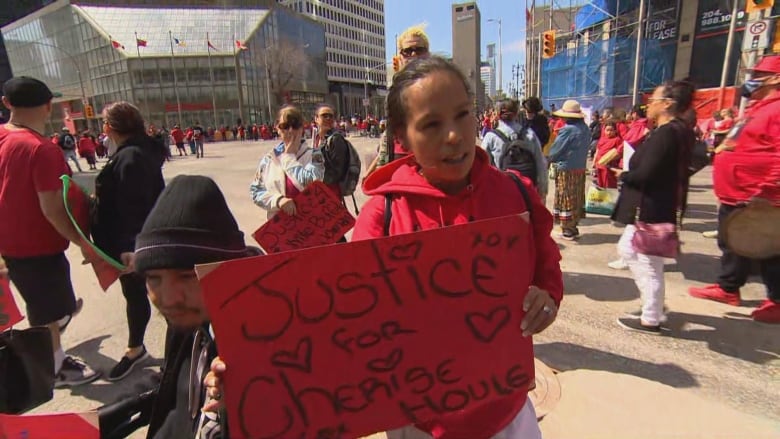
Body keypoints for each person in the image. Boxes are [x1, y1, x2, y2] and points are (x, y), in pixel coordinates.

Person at [205, 55, 563, 439]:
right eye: (431, 124)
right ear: (401, 135)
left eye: (463, 115)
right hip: (418, 424)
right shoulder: (384, 214)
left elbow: (546, 261)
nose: (455, 135)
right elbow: (339, 327)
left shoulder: (515, 194)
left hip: (507, 415)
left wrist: (547, 296)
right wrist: (247, 372)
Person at [130, 175, 259, 438]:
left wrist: (251, 410)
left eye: (188, 276)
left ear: (228, 272)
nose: (168, 298)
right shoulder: (186, 321)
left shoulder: (273, 341)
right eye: (153, 278)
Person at [0, 76, 100, 387]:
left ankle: (61, 316)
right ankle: (56, 368)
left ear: (7, 104)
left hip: (11, 244)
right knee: (45, 311)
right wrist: (83, 243)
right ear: (48, 106)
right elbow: (53, 208)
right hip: (38, 247)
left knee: (46, 303)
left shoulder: (3, 137)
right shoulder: (42, 149)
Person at [688, 55, 780, 323]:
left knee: (768, 249)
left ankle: (776, 299)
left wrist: (767, 190)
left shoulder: (776, 110)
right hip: (736, 192)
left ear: (775, 78)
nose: (752, 80)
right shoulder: (758, 108)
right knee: (734, 243)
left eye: (759, 74)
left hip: (759, 196)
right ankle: (729, 287)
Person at [612, 80, 696, 333]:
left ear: (668, 104)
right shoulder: (679, 130)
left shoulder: (667, 133)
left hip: (652, 206)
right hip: (659, 204)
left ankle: (651, 315)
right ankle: (653, 305)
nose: (649, 105)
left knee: (646, 261)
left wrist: (624, 175)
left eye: (654, 100)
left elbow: (647, 172)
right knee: (634, 253)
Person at [92, 101, 166, 381]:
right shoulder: (134, 153)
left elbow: (137, 206)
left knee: (164, 300)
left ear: (109, 128)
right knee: (136, 297)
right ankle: (136, 349)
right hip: (130, 246)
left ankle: (185, 358)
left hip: (135, 248)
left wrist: (133, 249)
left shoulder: (132, 157)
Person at [366, 23, 432, 178]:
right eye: (408, 51)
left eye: (419, 49)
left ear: (428, 53)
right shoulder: (396, 86)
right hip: (397, 159)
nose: (414, 54)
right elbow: (389, 132)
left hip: (427, 161)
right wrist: (374, 171)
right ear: (400, 56)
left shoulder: (438, 82)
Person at [250, 105, 325, 219]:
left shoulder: (314, 155)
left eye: (294, 125)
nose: (290, 130)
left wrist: (289, 157)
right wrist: (278, 201)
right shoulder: (269, 159)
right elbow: (256, 191)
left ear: (301, 128)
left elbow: (311, 183)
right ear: (277, 128)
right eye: (285, 126)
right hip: (281, 228)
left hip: (310, 224)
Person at [481, 99, 548, 198]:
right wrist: (542, 191)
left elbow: (482, 167)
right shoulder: (529, 134)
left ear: (498, 114)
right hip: (526, 192)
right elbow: (541, 163)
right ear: (516, 114)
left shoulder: (490, 137)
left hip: (501, 193)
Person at [547, 99, 591, 240]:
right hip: (580, 167)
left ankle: (567, 229)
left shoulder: (567, 130)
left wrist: (548, 159)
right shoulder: (585, 129)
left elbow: (556, 150)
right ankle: (573, 226)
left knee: (565, 196)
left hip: (566, 168)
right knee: (576, 196)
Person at [313, 103, 351, 197]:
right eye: (324, 115)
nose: (328, 118)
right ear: (316, 119)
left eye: (331, 116)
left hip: (331, 191)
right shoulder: (317, 137)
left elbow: (338, 171)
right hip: (319, 188)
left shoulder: (336, 139)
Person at [592, 120, 624, 189]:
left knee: (609, 186)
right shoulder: (602, 139)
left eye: (611, 130)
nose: (609, 132)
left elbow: (619, 153)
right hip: (599, 165)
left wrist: (610, 159)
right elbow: (597, 150)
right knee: (600, 185)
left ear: (615, 131)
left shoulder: (617, 140)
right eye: (607, 130)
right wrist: (594, 162)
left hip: (609, 166)